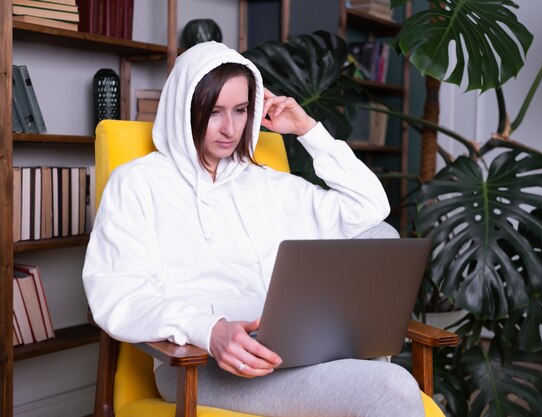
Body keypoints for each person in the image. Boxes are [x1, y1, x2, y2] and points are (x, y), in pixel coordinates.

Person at [83, 41, 425, 417]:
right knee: (389, 387)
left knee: (380, 239)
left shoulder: (267, 184)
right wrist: (208, 329)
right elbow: (116, 293)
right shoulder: (137, 184)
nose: (230, 129)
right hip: (203, 363)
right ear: (185, 110)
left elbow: (370, 208)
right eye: (214, 112)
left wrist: (308, 130)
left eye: (241, 110)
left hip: (285, 346)